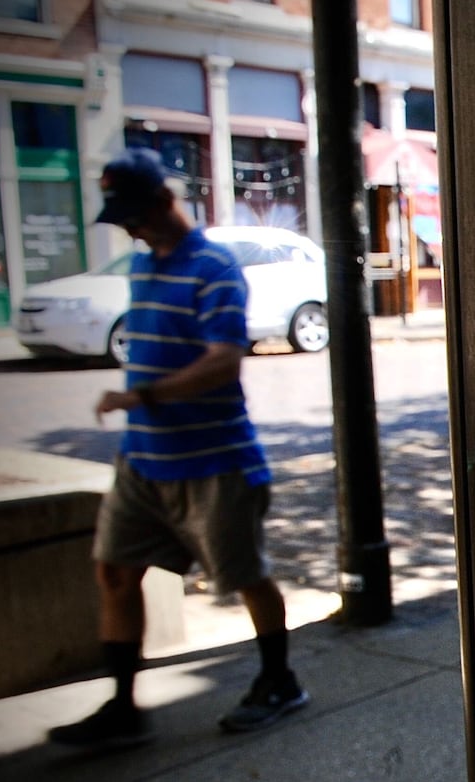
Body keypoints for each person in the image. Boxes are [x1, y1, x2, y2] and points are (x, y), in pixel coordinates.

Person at [48, 147, 308, 749]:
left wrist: (145, 395)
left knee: (244, 575)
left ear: (168, 202)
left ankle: (280, 680)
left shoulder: (214, 267)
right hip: (144, 460)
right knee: (114, 570)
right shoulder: (141, 269)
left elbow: (223, 360)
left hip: (214, 461)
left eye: (139, 216)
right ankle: (122, 707)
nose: (134, 229)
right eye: (125, 221)